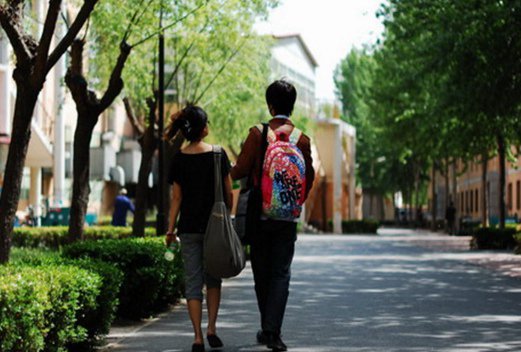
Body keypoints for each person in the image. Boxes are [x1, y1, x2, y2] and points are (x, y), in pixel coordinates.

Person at [231, 80, 315, 352]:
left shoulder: (258, 133)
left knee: (261, 272)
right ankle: (273, 331)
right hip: (287, 217)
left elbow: (241, 169)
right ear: (292, 106)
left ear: (270, 105)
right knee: (281, 273)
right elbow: (309, 177)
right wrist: (292, 202)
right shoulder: (301, 138)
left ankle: (268, 329)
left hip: (259, 212)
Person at [165, 105, 233, 352]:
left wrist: (170, 229)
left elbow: (177, 199)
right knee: (213, 279)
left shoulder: (179, 159)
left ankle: (197, 337)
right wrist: (228, 217)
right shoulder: (218, 154)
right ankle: (212, 328)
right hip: (215, 227)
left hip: (189, 229)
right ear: (204, 129)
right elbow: (228, 191)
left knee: (193, 283)